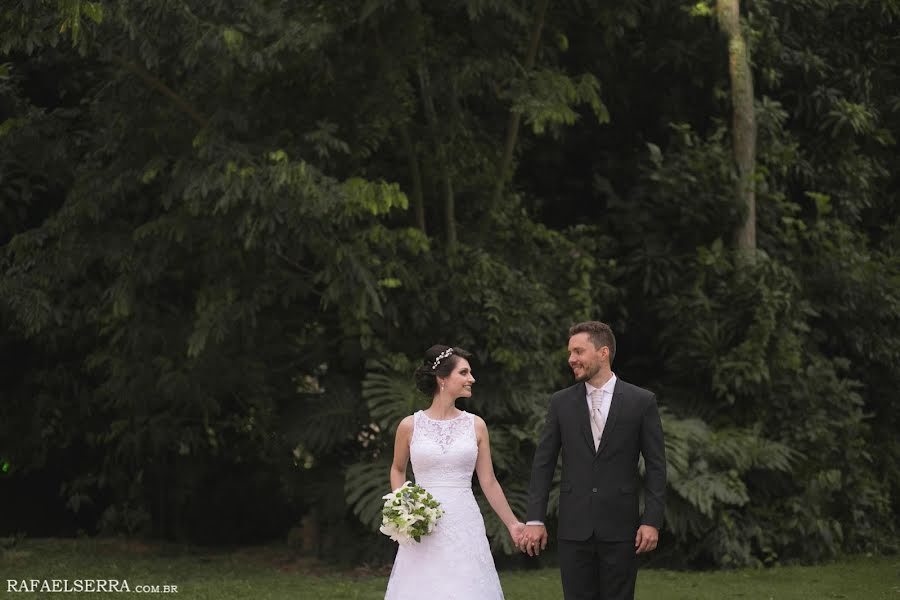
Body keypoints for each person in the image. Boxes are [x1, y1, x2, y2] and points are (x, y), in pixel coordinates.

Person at [519, 321, 666, 600]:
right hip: (574, 527)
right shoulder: (560, 402)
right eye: (570, 353)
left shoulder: (641, 401)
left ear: (603, 352)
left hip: (621, 528)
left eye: (578, 351)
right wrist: (535, 519)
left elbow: (657, 466)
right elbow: (543, 464)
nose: (571, 359)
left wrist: (652, 521)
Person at [384, 345, 525, 600]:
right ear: (442, 378)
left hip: (464, 522)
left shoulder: (476, 425)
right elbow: (397, 469)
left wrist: (512, 523)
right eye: (464, 372)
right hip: (423, 526)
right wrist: (405, 504)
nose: (472, 379)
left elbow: (489, 481)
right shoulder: (409, 425)